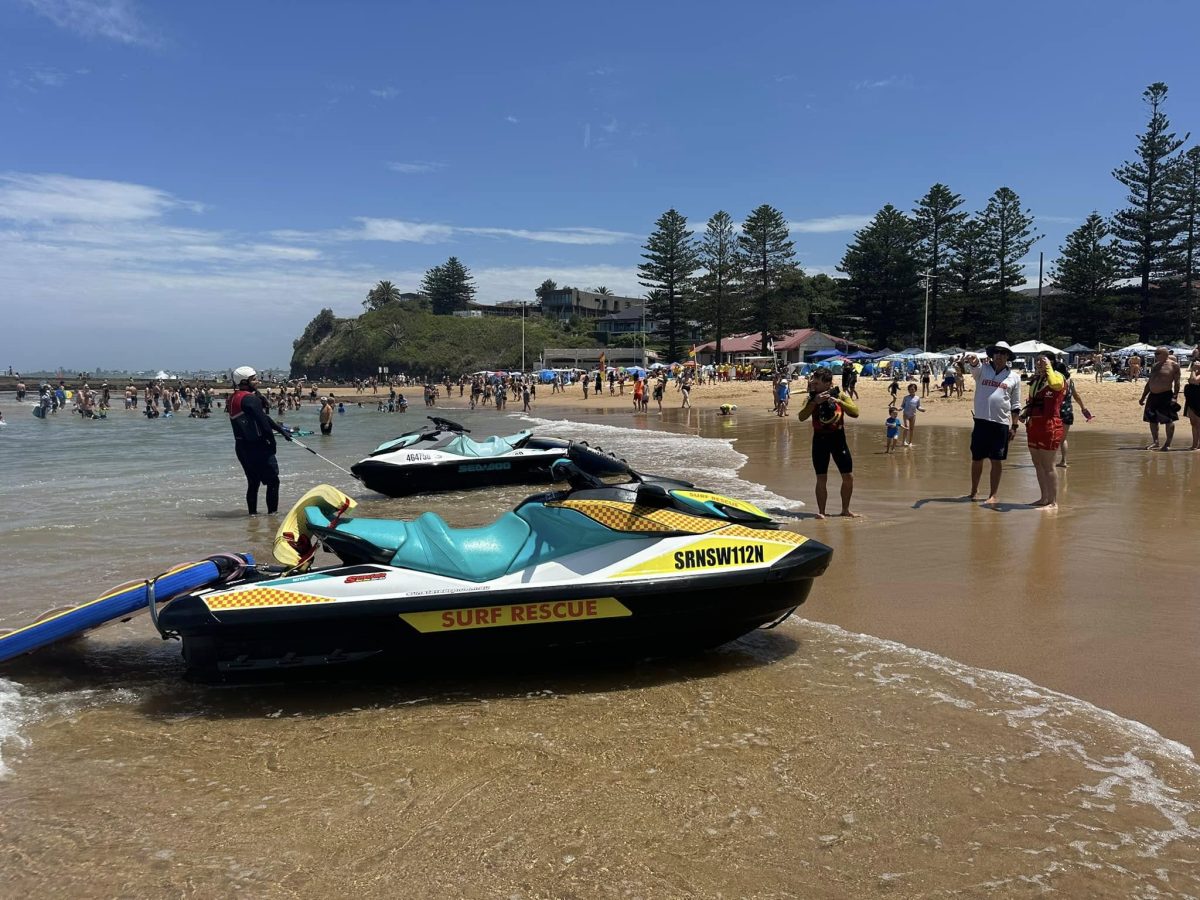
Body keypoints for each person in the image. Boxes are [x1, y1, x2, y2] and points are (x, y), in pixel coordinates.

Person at [796, 367, 860, 518]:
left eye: (817, 383)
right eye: (813, 382)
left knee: (848, 477)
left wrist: (838, 401)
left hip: (838, 439)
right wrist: (814, 403)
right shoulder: (811, 397)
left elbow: (855, 412)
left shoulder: (841, 395)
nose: (813, 385)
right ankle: (821, 512)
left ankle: (845, 510)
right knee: (821, 478)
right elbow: (801, 416)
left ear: (828, 383)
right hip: (820, 440)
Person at [227, 366, 291, 516]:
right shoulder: (251, 399)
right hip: (258, 447)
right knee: (273, 482)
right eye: (254, 379)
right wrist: (273, 444)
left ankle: (253, 516)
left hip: (242, 448)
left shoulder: (233, 398)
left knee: (253, 483)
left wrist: (281, 430)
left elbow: (262, 418)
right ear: (244, 381)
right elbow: (264, 425)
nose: (257, 381)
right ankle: (272, 516)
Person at [964, 342, 1022, 505]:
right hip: (981, 421)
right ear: (992, 355)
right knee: (977, 458)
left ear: (1008, 357)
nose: (1000, 356)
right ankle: (974, 491)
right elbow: (974, 366)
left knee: (996, 460)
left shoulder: (1014, 377)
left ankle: (993, 495)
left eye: (1003, 353)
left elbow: (1016, 404)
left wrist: (1014, 426)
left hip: (1001, 423)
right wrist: (973, 359)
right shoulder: (983, 370)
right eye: (997, 352)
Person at [1020, 351, 1067, 509]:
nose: (1039, 363)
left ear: (1051, 362)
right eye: (1037, 360)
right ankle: (1043, 498)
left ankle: (1053, 502)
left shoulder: (1058, 377)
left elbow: (1055, 385)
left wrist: (1048, 367)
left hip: (1050, 425)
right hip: (1034, 424)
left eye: (1042, 360)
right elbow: (1033, 402)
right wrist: (1024, 414)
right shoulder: (1036, 380)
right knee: (1037, 463)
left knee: (1048, 465)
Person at [1139, 347, 1181, 450]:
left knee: (1168, 420)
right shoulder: (1155, 365)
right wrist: (1143, 396)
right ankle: (1155, 442)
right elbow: (1150, 382)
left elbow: (1177, 383)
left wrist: (1175, 397)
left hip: (1165, 395)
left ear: (1165, 354)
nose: (1155, 355)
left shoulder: (1174, 366)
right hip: (1153, 395)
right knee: (1152, 419)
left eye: (1157, 353)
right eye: (1155, 353)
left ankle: (1168, 443)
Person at [1057, 365, 1091, 467]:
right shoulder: (1070, 382)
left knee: (1053, 437)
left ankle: (1049, 461)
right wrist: (1083, 408)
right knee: (1063, 439)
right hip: (1068, 412)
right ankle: (1064, 461)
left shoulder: (1055, 382)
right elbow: (1076, 396)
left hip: (1056, 412)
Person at [1183, 357, 1200, 451]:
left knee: (1198, 422)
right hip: (1191, 399)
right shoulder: (1195, 372)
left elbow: (1194, 381)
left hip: (1198, 400)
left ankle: (1199, 444)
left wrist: (1193, 369)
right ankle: (1194, 444)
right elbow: (1191, 380)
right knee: (1193, 422)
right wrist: (1193, 370)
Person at [900, 383, 924, 447]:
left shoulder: (917, 398)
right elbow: (902, 406)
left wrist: (921, 409)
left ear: (915, 390)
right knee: (906, 428)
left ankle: (910, 442)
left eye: (912, 389)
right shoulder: (906, 398)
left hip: (913, 415)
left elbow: (918, 406)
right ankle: (904, 441)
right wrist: (899, 409)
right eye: (909, 389)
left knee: (912, 429)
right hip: (906, 415)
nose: (911, 391)